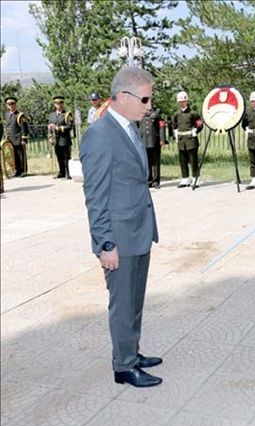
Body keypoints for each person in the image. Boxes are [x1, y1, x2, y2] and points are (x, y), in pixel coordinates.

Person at [80, 66, 162, 388]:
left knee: (135, 299)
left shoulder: (129, 127)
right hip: (119, 238)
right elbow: (95, 196)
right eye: (144, 99)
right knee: (122, 303)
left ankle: (132, 351)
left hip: (138, 230)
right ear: (123, 96)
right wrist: (105, 244)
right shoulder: (100, 135)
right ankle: (124, 366)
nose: (148, 106)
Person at [171, 91, 203, 188]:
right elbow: (174, 125)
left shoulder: (193, 113)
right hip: (181, 140)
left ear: (187, 101)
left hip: (191, 140)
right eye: (180, 102)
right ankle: (185, 178)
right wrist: (175, 133)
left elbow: (200, 124)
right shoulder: (176, 114)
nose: (181, 103)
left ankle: (195, 179)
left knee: (193, 160)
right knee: (183, 160)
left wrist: (196, 131)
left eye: (183, 101)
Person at [48, 96, 74, 179]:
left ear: (63, 104)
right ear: (55, 104)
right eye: (57, 103)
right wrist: (50, 136)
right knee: (59, 156)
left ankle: (68, 172)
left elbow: (70, 126)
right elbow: (49, 126)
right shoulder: (52, 115)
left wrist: (58, 128)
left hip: (64, 139)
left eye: (61, 103)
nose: (59, 105)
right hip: (56, 139)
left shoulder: (67, 114)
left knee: (66, 157)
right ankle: (61, 172)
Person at [140, 108, 166, 188]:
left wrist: (162, 139)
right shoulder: (139, 112)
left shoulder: (157, 113)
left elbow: (161, 126)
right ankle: (148, 180)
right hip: (143, 140)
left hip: (154, 140)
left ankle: (155, 181)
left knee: (155, 162)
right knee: (146, 161)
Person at [4, 96, 30, 177]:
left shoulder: (20, 115)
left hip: (19, 139)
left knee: (21, 155)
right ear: (7, 105)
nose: (11, 105)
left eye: (13, 103)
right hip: (11, 139)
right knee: (14, 156)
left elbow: (24, 128)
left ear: (15, 104)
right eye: (9, 104)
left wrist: (24, 139)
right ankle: (17, 170)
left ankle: (23, 171)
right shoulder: (7, 114)